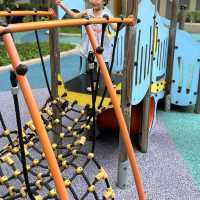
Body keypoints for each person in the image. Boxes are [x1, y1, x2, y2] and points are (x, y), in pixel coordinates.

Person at [56, 0, 117, 92]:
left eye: (97, 0)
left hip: (102, 43)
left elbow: (115, 27)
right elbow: (74, 15)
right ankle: (94, 83)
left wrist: (123, 23)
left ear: (104, 2)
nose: (94, 2)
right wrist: (62, 5)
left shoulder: (106, 13)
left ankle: (109, 82)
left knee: (104, 63)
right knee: (92, 62)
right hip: (91, 42)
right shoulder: (88, 12)